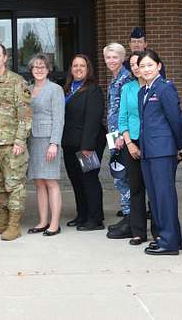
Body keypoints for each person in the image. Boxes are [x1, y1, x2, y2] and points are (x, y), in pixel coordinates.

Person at [0, 43, 32, 241]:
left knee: (14, 186)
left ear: (5, 58)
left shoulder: (17, 83)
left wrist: (20, 140)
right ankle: (1, 221)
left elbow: (25, 115)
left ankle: (13, 224)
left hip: (11, 145)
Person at [138, 49, 182, 256]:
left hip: (163, 151)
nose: (146, 69)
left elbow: (176, 119)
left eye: (150, 65)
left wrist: (177, 146)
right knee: (155, 197)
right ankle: (166, 237)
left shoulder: (165, 88)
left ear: (159, 66)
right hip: (147, 151)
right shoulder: (143, 92)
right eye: (142, 66)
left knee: (165, 196)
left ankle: (170, 242)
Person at [108, 51, 156, 244]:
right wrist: (128, 141)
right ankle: (138, 231)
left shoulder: (157, 86)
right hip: (131, 142)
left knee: (154, 189)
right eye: (134, 65)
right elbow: (122, 116)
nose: (137, 68)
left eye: (141, 64)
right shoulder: (127, 87)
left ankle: (158, 231)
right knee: (135, 188)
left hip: (153, 143)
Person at [62, 54, 106, 231]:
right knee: (76, 180)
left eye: (82, 66)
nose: (78, 69)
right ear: (71, 69)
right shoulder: (67, 89)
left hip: (87, 144)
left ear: (88, 69)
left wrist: (87, 147)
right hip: (69, 144)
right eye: (75, 66)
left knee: (89, 180)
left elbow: (93, 120)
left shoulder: (93, 90)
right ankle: (82, 215)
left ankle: (95, 219)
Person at [26, 54, 65, 237]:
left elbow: (59, 118)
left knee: (51, 182)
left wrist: (54, 143)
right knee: (39, 183)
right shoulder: (28, 89)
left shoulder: (55, 89)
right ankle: (43, 221)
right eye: (35, 67)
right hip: (32, 140)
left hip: (48, 141)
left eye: (42, 67)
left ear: (48, 69)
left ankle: (55, 224)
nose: (39, 70)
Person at [104, 43, 133, 236]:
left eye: (115, 57)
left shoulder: (126, 79)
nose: (111, 61)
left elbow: (129, 110)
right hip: (113, 136)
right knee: (118, 177)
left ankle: (131, 221)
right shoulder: (114, 79)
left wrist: (124, 135)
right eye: (108, 57)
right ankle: (127, 216)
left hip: (122, 136)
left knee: (125, 178)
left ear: (122, 59)